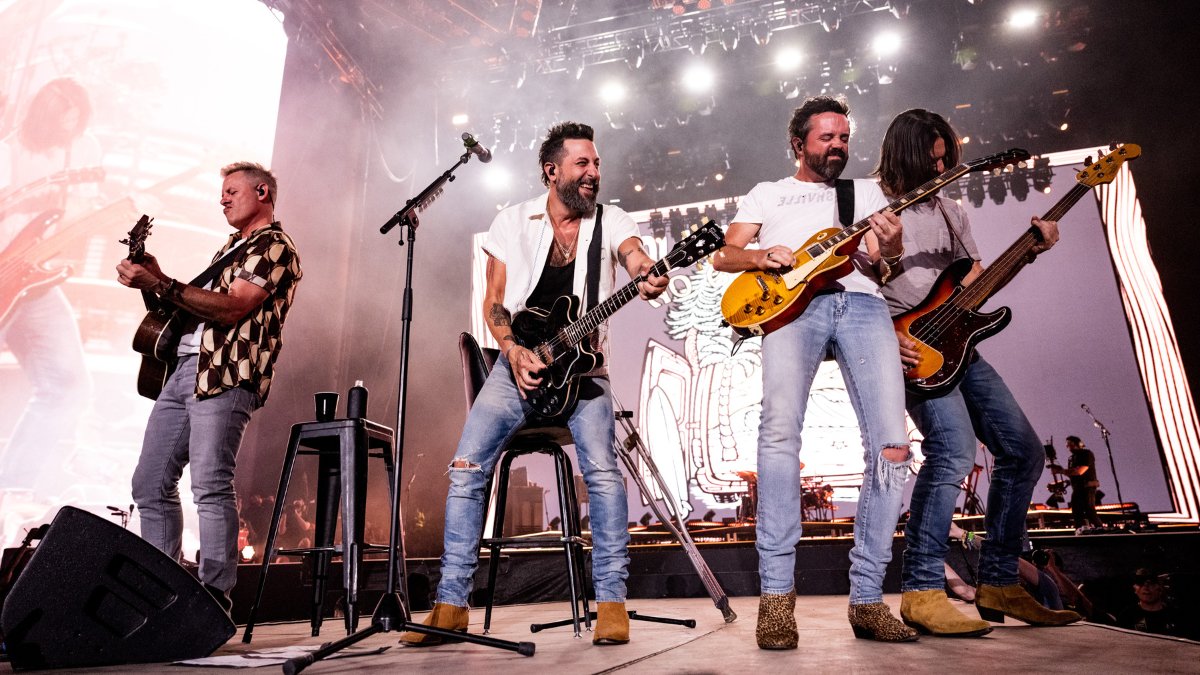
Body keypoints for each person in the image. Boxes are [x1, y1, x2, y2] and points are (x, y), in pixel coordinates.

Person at [401, 122, 667, 647]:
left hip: (585, 372)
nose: (593, 173)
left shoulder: (611, 220)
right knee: (466, 469)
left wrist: (648, 271)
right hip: (517, 364)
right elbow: (494, 301)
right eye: (582, 164)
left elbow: (635, 254)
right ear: (552, 171)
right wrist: (512, 350)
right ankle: (451, 605)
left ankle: (611, 602)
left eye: (596, 164)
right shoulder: (511, 221)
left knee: (603, 474)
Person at [712, 96, 918, 647]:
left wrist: (893, 249)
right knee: (779, 435)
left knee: (893, 446)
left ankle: (868, 600)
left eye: (844, 138)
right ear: (799, 143)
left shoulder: (865, 194)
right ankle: (777, 601)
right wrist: (761, 257)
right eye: (826, 138)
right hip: (791, 308)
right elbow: (724, 256)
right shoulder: (769, 193)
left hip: (863, 305)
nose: (837, 147)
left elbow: (883, 266)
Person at [876, 109, 1080, 636]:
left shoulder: (951, 212)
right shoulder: (871, 205)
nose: (941, 168)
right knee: (953, 452)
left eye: (946, 159)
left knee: (1023, 452)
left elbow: (973, 287)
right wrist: (884, 336)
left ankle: (1000, 583)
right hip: (910, 350)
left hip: (960, 347)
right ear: (904, 155)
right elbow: (850, 288)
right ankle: (922, 591)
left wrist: (1029, 252)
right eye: (931, 159)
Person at [115, 162, 302, 612]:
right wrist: (155, 279)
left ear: (262, 192)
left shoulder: (275, 246)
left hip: (226, 374)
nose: (222, 199)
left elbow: (234, 307)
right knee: (149, 483)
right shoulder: (230, 249)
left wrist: (162, 282)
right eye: (222, 193)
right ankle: (160, 590)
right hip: (185, 370)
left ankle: (214, 597)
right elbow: (190, 308)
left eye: (232, 191)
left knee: (210, 483)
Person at [0, 78, 100, 506]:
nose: (70, 130)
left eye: (76, 122)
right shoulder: (9, 151)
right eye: (63, 122)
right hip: (4, 271)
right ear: (42, 117)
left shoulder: (83, 149)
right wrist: (19, 203)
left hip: (35, 282)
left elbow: (82, 210)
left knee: (69, 386)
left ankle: (11, 491)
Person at [1117, 569, 1189, 638]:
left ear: (1160, 588)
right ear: (1135, 589)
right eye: (1140, 583)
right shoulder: (1127, 616)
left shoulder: (1176, 616)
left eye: (1150, 583)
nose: (1145, 588)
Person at [1066, 436, 1103, 530]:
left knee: (1089, 510)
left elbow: (1079, 471)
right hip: (1077, 488)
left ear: (1079, 444)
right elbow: (1073, 474)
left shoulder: (1086, 454)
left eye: (1071, 445)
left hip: (1088, 488)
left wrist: (1061, 471)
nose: (1070, 448)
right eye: (1068, 446)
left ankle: (1100, 530)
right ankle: (1080, 531)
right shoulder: (1072, 458)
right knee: (1076, 512)